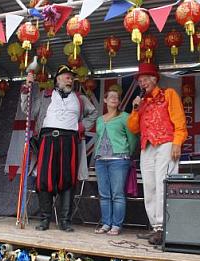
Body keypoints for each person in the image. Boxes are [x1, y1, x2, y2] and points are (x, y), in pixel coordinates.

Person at [20, 64, 97, 232]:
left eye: (71, 77)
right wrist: (26, 89)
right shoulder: (45, 95)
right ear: (58, 79)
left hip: (70, 141)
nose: (70, 79)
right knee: (44, 180)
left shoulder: (80, 98)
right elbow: (28, 110)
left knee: (68, 180)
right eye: (67, 76)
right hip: (47, 140)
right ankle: (45, 219)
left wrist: (81, 127)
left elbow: (94, 113)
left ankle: (64, 221)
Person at [127, 63, 188, 245]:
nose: (142, 82)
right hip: (147, 146)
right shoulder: (141, 103)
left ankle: (165, 227)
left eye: (145, 79)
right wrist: (135, 109)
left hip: (166, 143)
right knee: (150, 186)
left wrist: (177, 143)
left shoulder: (168, 94)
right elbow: (133, 127)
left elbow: (179, 120)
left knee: (164, 184)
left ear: (154, 79)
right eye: (140, 80)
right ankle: (155, 226)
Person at [94, 85, 137, 235]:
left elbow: (132, 139)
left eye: (116, 97)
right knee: (104, 194)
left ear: (119, 101)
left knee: (117, 193)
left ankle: (116, 225)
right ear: (105, 100)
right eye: (110, 96)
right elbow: (98, 138)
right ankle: (106, 224)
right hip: (100, 160)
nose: (114, 99)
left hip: (119, 160)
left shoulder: (125, 117)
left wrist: (126, 153)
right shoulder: (99, 120)